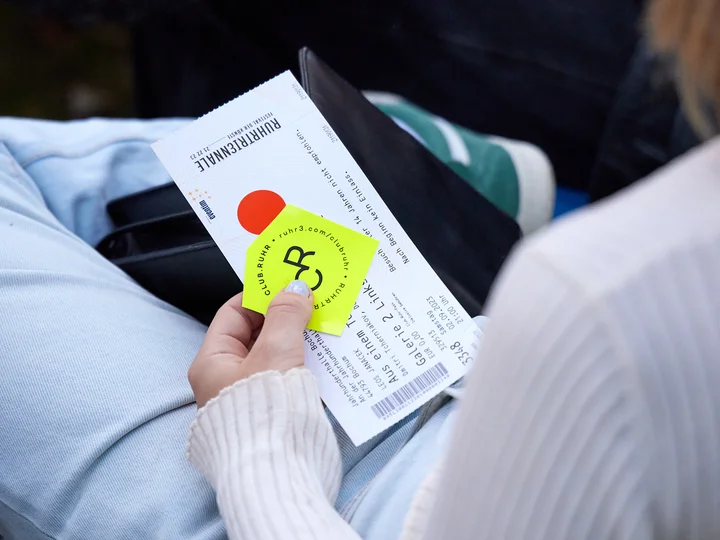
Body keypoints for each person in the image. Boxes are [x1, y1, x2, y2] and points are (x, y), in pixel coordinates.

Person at [183, 0, 720, 539]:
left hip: (381, 481)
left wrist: (257, 447)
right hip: (479, 383)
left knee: (99, 209)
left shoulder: (594, 296)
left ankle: (432, 167)